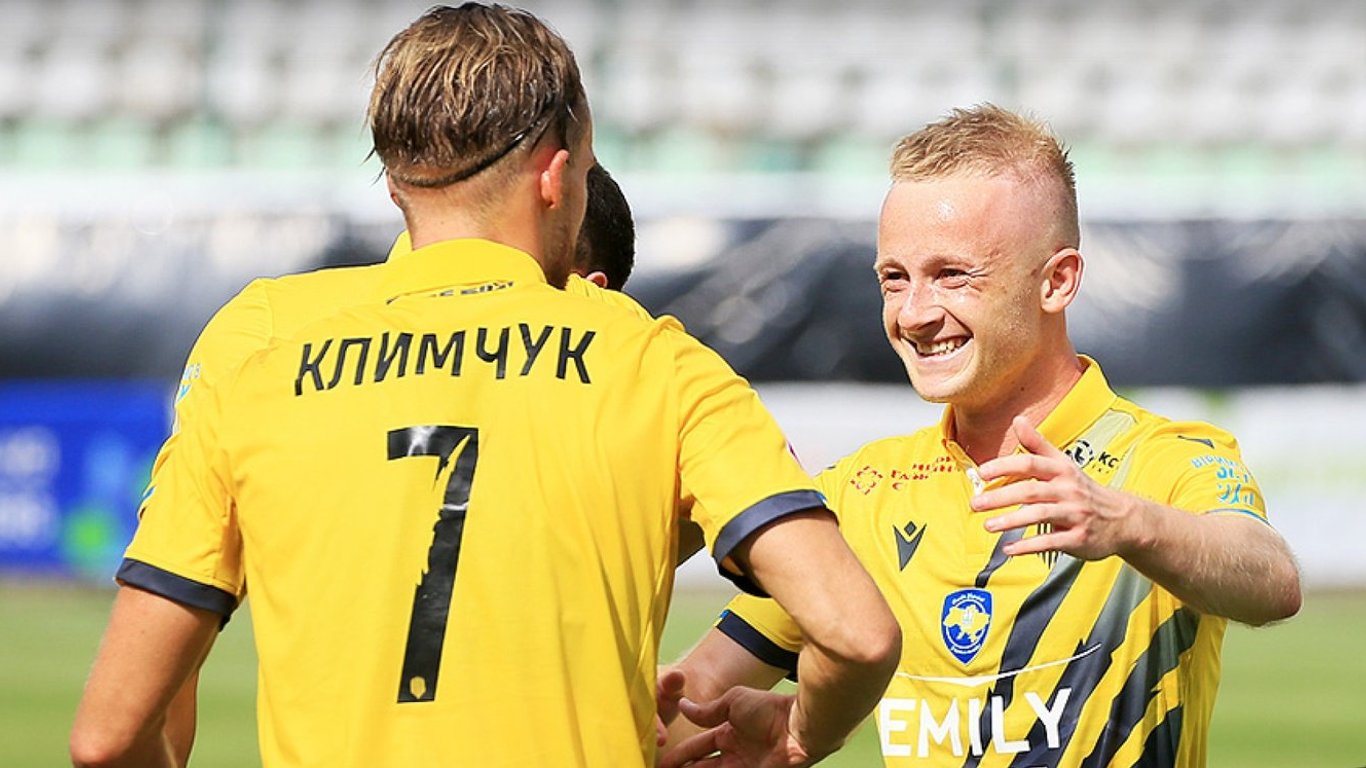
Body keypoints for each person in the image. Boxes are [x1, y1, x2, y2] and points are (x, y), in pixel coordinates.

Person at [69, 5, 899, 768]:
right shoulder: (659, 364)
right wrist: (798, 734)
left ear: (397, 182)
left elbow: (109, 738)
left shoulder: (260, 358)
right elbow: (856, 634)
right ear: (557, 177)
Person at [664, 104, 1302, 768]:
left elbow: (1272, 581)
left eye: (952, 275)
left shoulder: (1162, 459)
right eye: (895, 279)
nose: (914, 314)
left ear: (1057, 281)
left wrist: (1129, 524)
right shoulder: (859, 490)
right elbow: (697, 692)